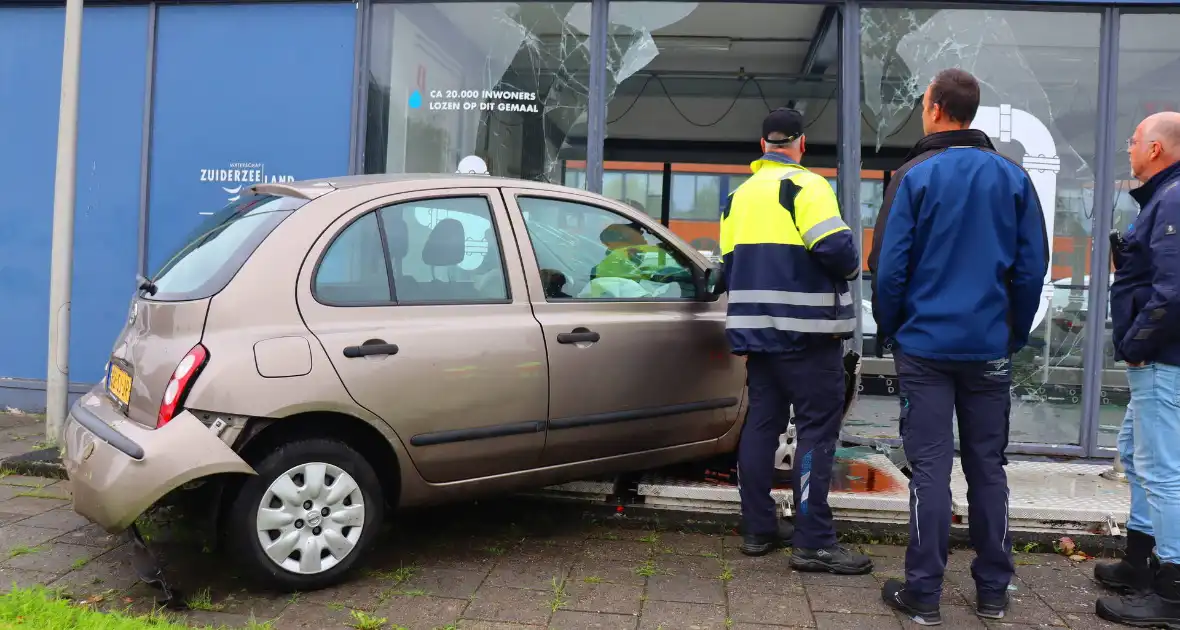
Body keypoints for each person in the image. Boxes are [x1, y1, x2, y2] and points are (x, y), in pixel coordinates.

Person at [868, 68, 1049, 626]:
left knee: (929, 469)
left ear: (936, 108)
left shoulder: (913, 176)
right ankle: (993, 591)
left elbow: (888, 269)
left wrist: (893, 327)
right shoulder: (1014, 178)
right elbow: (1032, 269)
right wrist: (1010, 334)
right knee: (988, 468)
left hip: (924, 347)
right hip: (987, 348)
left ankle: (924, 595)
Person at [719, 107, 872, 575]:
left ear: (762, 146)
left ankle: (757, 528)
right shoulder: (807, 186)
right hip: (809, 337)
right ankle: (813, 542)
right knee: (816, 435)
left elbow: (729, 265)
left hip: (760, 340)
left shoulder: (738, 197)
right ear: (801, 145)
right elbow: (839, 251)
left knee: (761, 428)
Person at [1095, 111, 1180, 627]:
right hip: (1156, 359)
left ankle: (1171, 592)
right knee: (1135, 453)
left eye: (1133, 141)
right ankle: (1138, 563)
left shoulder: (1172, 199)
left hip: (1161, 360)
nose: (1128, 149)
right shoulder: (1164, 199)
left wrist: (1136, 343)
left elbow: (1173, 290)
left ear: (1155, 149)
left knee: (1162, 471)